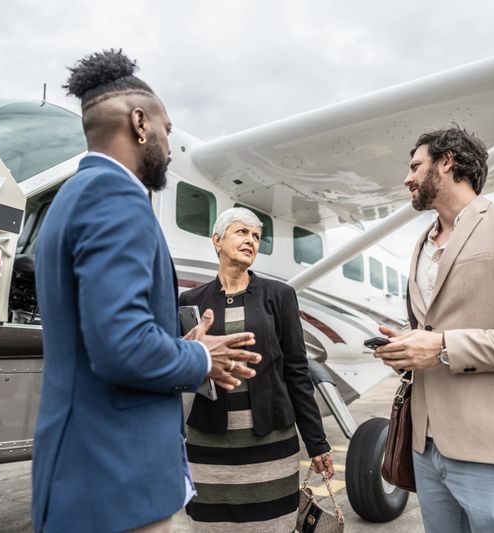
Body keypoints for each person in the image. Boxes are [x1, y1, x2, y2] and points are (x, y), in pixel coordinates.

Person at [32, 50, 261, 533]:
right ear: (140, 123)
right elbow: (121, 347)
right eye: (167, 130)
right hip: (117, 486)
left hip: (90, 477)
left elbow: (100, 332)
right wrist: (201, 360)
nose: (170, 146)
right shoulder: (115, 197)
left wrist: (181, 345)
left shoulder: (75, 195)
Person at [374, 127, 494, 532]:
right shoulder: (420, 244)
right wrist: (408, 349)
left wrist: (443, 347)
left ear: (447, 161)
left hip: (491, 449)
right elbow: (431, 330)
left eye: (415, 166)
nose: (407, 178)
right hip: (424, 447)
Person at [179, 207, 333, 531]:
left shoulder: (280, 296)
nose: (251, 240)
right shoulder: (189, 301)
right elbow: (176, 367)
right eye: (242, 232)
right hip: (209, 446)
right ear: (217, 241)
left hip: (270, 446)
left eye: (256, 236)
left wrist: (317, 443)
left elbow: (297, 371)